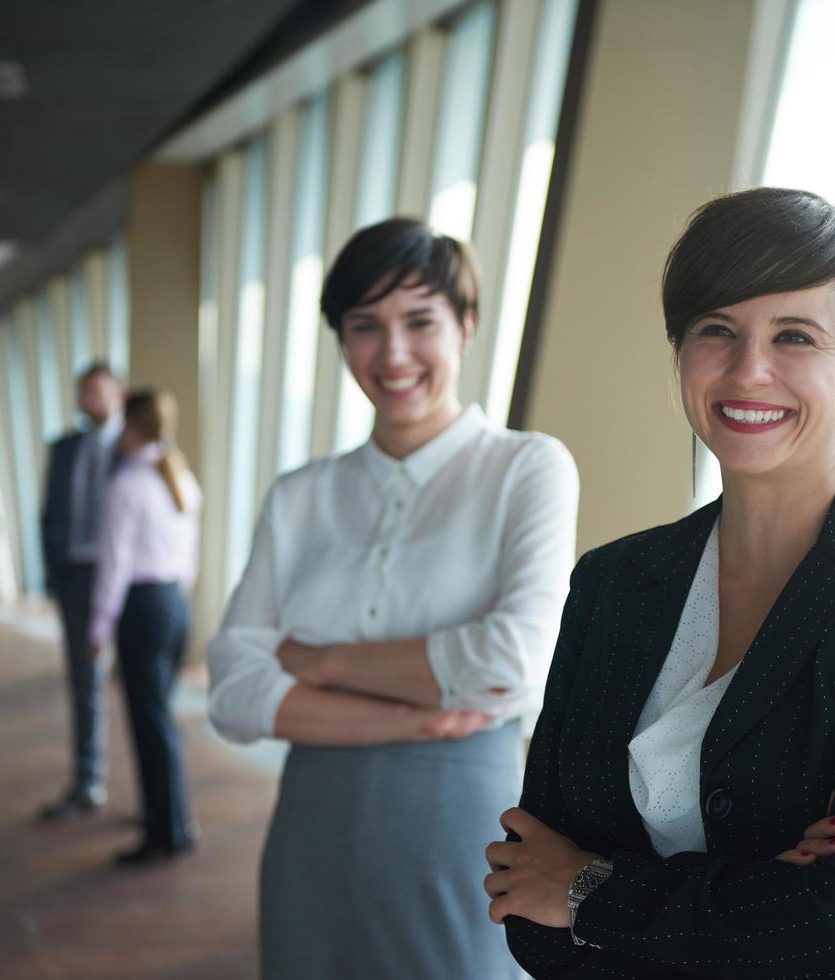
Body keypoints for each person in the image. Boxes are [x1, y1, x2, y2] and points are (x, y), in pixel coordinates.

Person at [487, 188, 835, 978]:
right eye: (716, 330)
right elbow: (525, 899)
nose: (746, 370)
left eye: (794, 336)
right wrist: (755, 899)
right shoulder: (614, 581)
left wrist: (590, 887)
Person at [207, 218, 580, 979]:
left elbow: (512, 662)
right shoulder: (299, 496)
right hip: (309, 823)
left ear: (465, 328)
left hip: (461, 822)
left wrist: (316, 660)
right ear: (341, 341)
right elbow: (233, 691)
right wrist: (416, 715)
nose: (393, 354)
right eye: (364, 327)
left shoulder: (525, 469)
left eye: (420, 322)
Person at [89, 388, 202, 864]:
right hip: (176, 603)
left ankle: (166, 831)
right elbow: (189, 558)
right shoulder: (179, 476)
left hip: (143, 607)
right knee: (161, 719)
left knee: (149, 722)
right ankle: (172, 818)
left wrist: (98, 629)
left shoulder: (126, 485)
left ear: (130, 427)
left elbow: (113, 566)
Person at [38, 362, 123, 820]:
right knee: (84, 683)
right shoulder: (64, 448)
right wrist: (53, 576)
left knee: (139, 689)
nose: (90, 400)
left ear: (119, 394)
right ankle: (88, 781)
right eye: (83, 392)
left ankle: (157, 793)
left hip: (124, 580)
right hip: (76, 576)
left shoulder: (133, 450)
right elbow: (49, 514)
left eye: (98, 391)